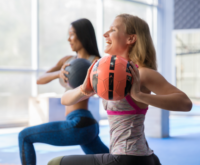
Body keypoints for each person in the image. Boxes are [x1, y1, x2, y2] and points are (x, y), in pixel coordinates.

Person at [48, 14, 192, 165]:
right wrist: (84, 89)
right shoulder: (107, 74)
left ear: (130, 39)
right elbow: (65, 100)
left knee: (55, 163)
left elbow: (185, 103)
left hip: (128, 158)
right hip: (139, 158)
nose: (105, 34)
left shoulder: (141, 73)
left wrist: (139, 95)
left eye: (113, 30)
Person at [18, 18, 109, 165]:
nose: (69, 39)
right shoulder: (67, 61)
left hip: (79, 122)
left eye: (72, 34)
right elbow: (39, 79)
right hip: (86, 126)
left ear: (82, 35)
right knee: (113, 162)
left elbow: (105, 89)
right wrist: (58, 74)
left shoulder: (96, 62)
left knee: (24, 136)